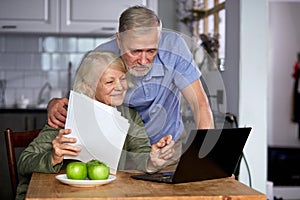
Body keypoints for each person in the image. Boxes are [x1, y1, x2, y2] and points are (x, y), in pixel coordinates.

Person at [47, 6, 214, 152]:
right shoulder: (101, 57)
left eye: (151, 51)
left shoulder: (175, 47)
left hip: (167, 148)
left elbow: (199, 104)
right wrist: (54, 104)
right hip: (118, 151)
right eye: (135, 51)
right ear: (119, 40)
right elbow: (82, 107)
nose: (143, 61)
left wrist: (208, 160)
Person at [16, 51, 175, 200]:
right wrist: (53, 157)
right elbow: (24, 162)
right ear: (88, 87)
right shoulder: (67, 114)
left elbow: (141, 155)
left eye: (123, 78)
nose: (120, 87)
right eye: (109, 81)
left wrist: (153, 160)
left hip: (110, 194)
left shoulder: (129, 116)